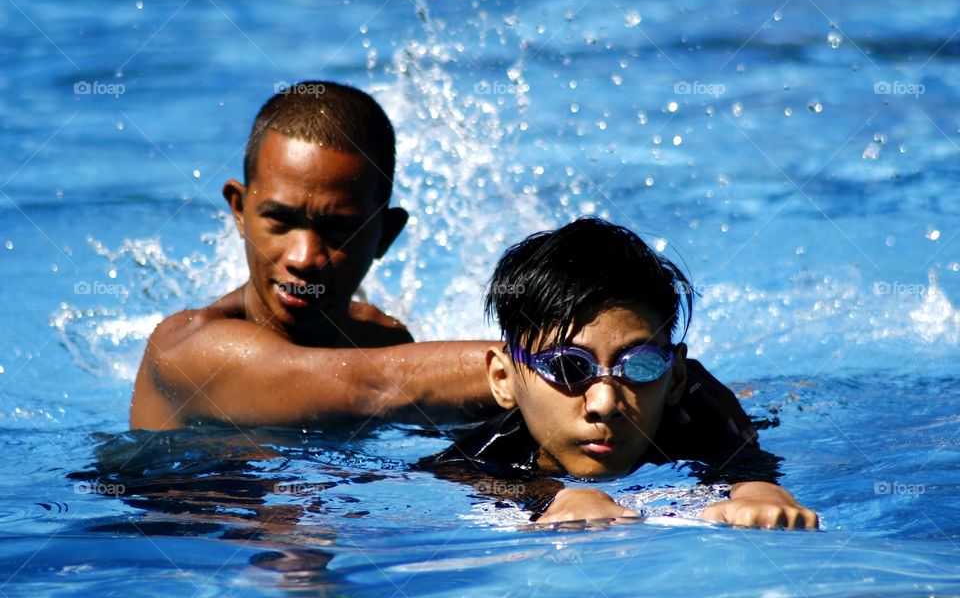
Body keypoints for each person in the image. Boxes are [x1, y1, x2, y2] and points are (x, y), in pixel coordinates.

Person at [129, 80, 759, 447]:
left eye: (341, 229)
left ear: (388, 233)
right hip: (183, 541)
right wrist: (573, 367)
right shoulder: (187, 350)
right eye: (280, 219)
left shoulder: (384, 338)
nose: (305, 256)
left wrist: (643, 385)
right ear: (239, 210)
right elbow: (363, 388)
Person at [420, 218, 818, 529]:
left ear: (675, 378)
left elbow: (741, 459)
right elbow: (454, 473)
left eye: (640, 365)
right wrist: (552, 495)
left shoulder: (701, 420)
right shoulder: (492, 445)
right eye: (565, 366)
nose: (606, 403)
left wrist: (760, 490)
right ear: (504, 379)